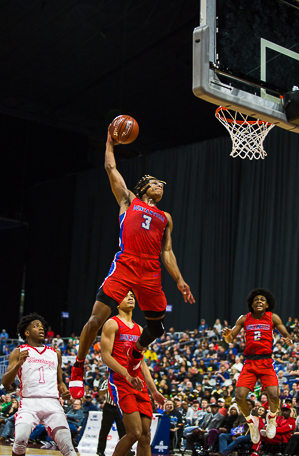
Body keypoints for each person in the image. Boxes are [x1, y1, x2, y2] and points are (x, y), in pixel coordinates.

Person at [70, 128, 195, 399]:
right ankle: (78, 367)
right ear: (143, 188)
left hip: (151, 269)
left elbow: (168, 251)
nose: (160, 186)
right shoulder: (128, 200)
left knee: (156, 328)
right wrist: (109, 142)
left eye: (163, 184)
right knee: (95, 319)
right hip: (126, 263)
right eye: (155, 183)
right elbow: (110, 166)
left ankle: (136, 354)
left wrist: (179, 280)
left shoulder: (166, 217)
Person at [222, 288, 293, 445]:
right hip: (249, 362)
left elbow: (287, 336)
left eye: (262, 300)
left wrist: (289, 341)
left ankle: (272, 418)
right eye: (256, 300)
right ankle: (251, 421)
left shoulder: (273, 317)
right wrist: (227, 335)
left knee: (274, 395)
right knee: (239, 397)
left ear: (267, 304)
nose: (259, 301)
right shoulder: (243, 319)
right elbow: (229, 339)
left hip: (266, 361)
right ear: (251, 304)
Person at [100, 290, 165, 456]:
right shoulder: (111, 323)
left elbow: (142, 363)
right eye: (125, 295)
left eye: (132, 295)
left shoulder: (138, 329)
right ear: (117, 302)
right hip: (121, 381)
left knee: (145, 435)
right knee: (134, 433)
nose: (130, 297)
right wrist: (127, 374)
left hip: (138, 383)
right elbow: (105, 357)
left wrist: (154, 390)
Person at [1, 312, 75, 456]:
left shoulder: (55, 353)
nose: (41, 328)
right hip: (29, 402)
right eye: (36, 326)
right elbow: (5, 382)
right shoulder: (18, 352)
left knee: (67, 446)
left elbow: (60, 382)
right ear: (27, 332)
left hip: (52, 402)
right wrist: (18, 365)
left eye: (42, 326)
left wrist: (64, 390)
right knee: (21, 439)